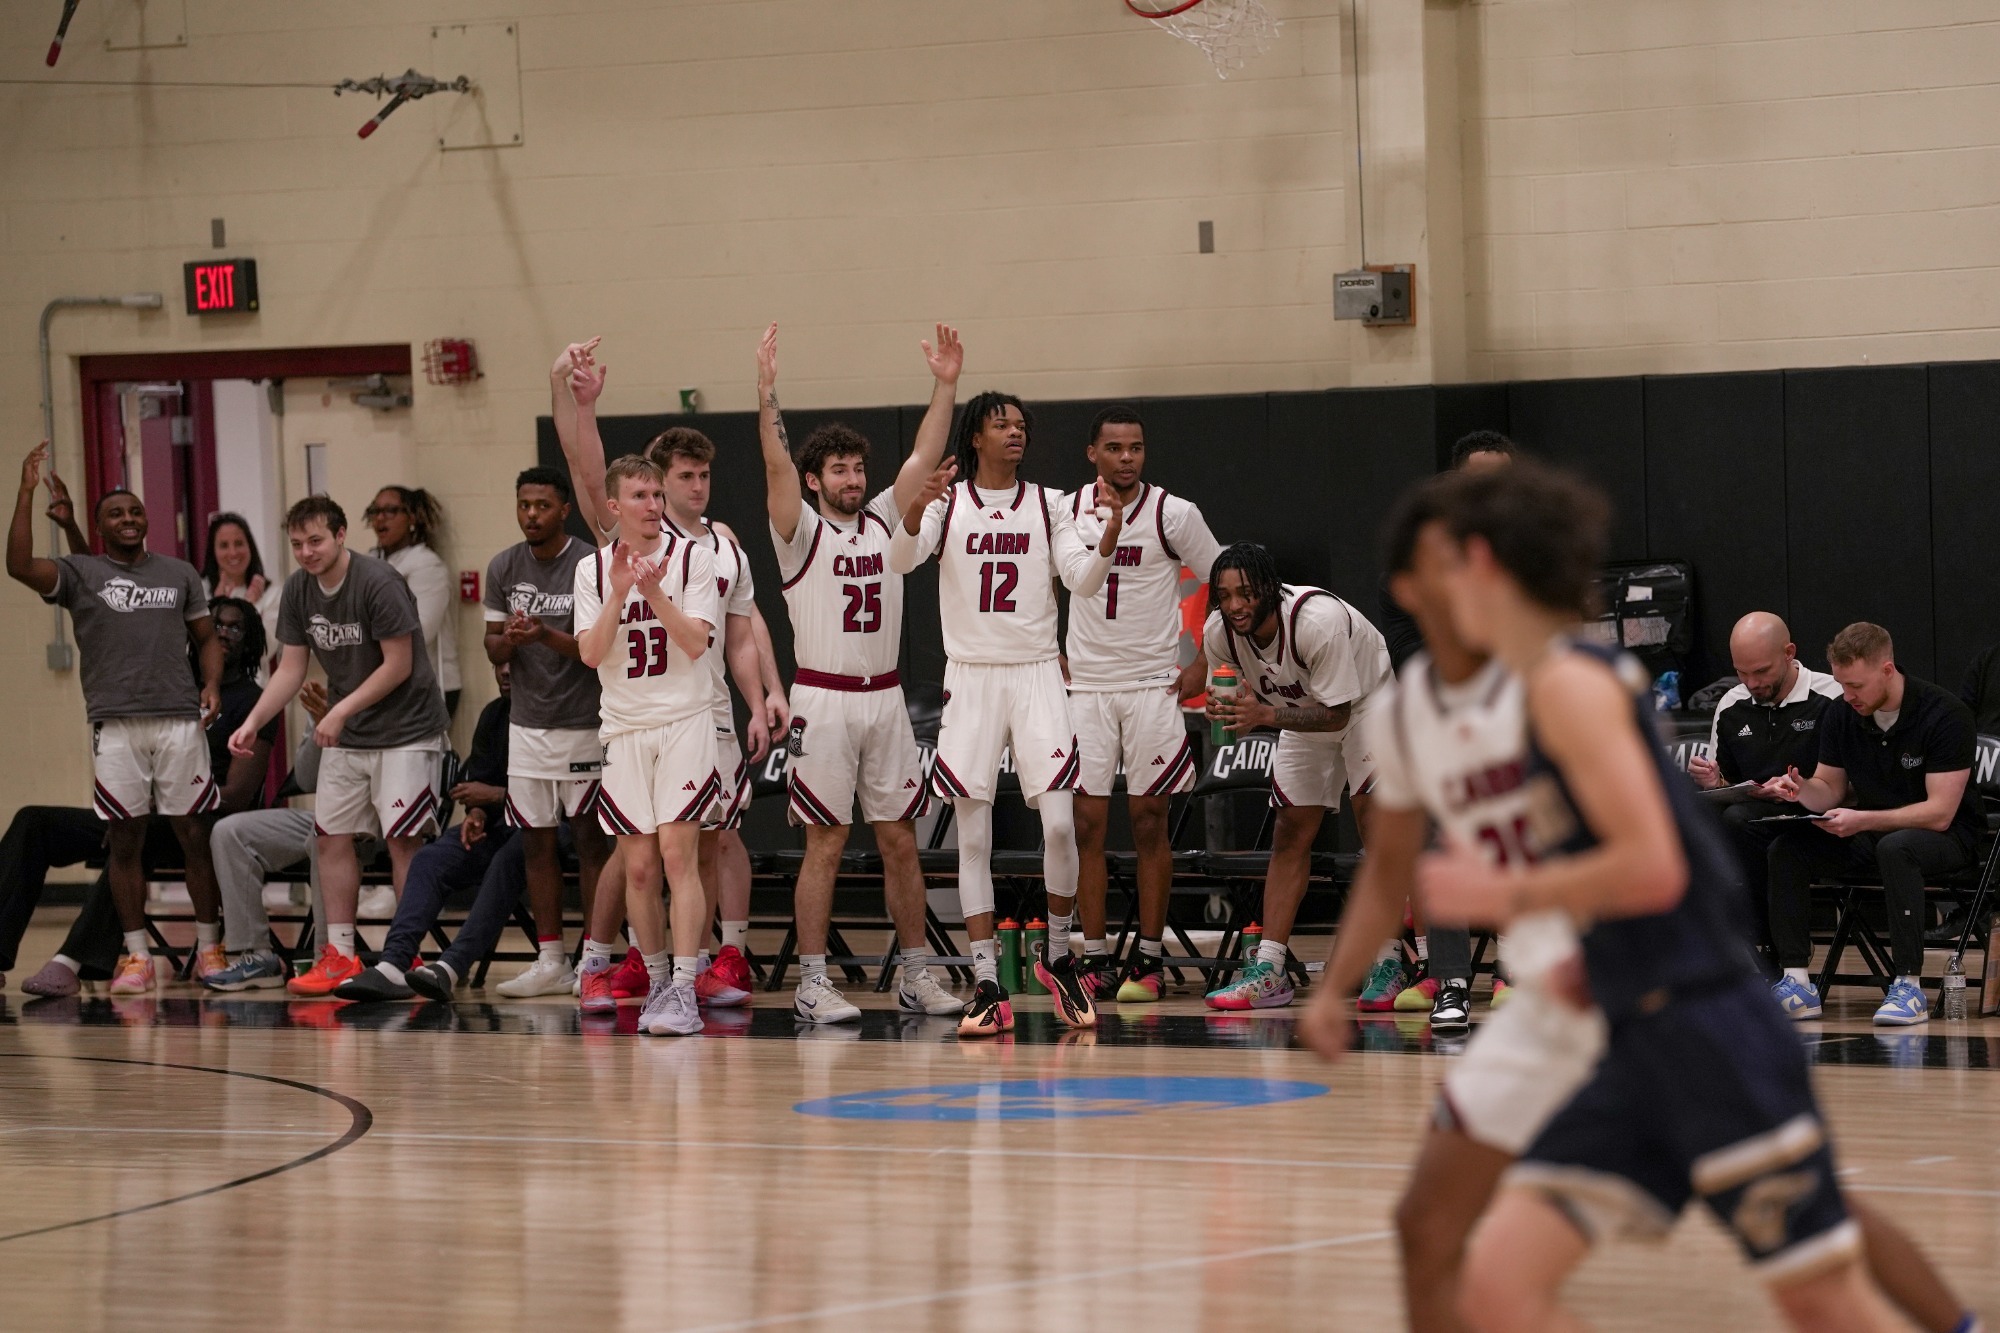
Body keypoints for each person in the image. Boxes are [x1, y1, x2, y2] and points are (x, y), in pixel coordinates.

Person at [1300, 481, 1983, 1333]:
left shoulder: (1577, 687)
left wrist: (1503, 891)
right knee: (1459, 1256)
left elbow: (1653, 868)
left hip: (1687, 1010)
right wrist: (1334, 987)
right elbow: (1388, 864)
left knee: (1820, 1284)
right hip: (1573, 1015)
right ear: (1407, 585)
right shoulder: (1409, 712)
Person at [885, 357, 1122, 1038]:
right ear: (976, 437)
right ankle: (987, 980)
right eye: (1001, 423)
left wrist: (1106, 531)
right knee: (974, 832)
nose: (1015, 432)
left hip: (1039, 670)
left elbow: (1080, 580)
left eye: (1021, 424)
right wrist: (913, 505)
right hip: (972, 676)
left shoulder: (1051, 503)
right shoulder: (947, 502)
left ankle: (1058, 956)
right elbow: (900, 561)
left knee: (1057, 823)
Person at [557, 345, 786, 1007]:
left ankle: (702, 967)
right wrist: (584, 404)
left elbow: (741, 630)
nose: (682, 492)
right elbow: (588, 466)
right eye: (669, 482)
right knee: (638, 858)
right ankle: (636, 963)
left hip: (697, 710)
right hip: (630, 719)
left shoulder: (715, 549)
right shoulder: (604, 553)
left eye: (695, 479)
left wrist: (764, 693)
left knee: (704, 847)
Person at [753, 322, 965, 1022]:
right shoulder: (800, 534)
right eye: (838, 469)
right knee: (828, 840)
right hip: (826, 701)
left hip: (887, 703)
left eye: (856, 467)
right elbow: (777, 468)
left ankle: (915, 973)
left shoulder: (881, 519)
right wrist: (765, 396)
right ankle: (813, 982)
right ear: (817, 480)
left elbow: (923, 455)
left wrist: (945, 384)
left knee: (901, 839)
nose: (852, 478)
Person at [6, 441, 228, 994]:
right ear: (100, 526)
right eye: (116, 514)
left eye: (134, 511)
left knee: (193, 836)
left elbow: (206, 638)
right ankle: (135, 957)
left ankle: (210, 948)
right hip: (116, 725)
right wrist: (26, 493)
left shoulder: (178, 572)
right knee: (123, 842)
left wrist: (213, 683)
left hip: (179, 721)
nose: (128, 519)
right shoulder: (79, 574)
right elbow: (17, 566)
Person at [229, 494, 452, 996]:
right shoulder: (298, 592)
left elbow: (398, 664)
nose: (306, 552)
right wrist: (254, 719)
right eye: (297, 544)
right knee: (331, 837)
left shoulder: (378, 582)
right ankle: (341, 955)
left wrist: (339, 709)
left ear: (341, 535)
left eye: (315, 541)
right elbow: (291, 667)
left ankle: (405, 955)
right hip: (350, 734)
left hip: (407, 730)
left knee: (402, 841)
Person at [10, 597, 278, 993]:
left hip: (199, 827)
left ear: (251, 641)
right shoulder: (171, 690)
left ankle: (71, 960)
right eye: (214, 624)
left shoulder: (254, 703)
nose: (222, 632)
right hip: (143, 806)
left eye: (235, 627)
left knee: (134, 834)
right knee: (35, 822)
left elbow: (238, 795)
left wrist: (165, 797)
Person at [1060, 404, 1223, 1003]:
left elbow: (1222, 579)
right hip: (1089, 687)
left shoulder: (1174, 513)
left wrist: (1203, 658)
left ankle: (1150, 958)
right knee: (1087, 825)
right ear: (1092, 453)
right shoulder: (1065, 509)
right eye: (1114, 448)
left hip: (1153, 683)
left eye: (1135, 448)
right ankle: (1096, 956)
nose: (1126, 458)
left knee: (1151, 822)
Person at [1199, 542, 1390, 1011]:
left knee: (1376, 828)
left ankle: (1388, 960)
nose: (1236, 606)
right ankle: (1270, 968)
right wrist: (1219, 707)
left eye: (1244, 593)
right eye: (1224, 596)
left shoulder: (1315, 622)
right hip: (1301, 711)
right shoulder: (1219, 632)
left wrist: (1264, 715)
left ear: (1268, 588)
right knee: (1289, 831)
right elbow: (1224, 690)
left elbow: (1338, 714)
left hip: (1366, 704)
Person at [1761, 623, 1981, 1026]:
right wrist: (1800, 790)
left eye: (1856, 685)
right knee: (1788, 847)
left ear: (1887, 669)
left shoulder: (1945, 714)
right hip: (1874, 830)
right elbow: (1829, 787)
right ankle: (1796, 982)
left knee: (1896, 847)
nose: (1848, 696)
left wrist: (1863, 819)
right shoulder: (1841, 713)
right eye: (1842, 684)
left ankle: (1909, 985)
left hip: (1948, 838)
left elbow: (1940, 812)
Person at [571, 452, 721, 1037]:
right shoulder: (592, 570)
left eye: (658, 495)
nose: (654, 506)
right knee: (637, 869)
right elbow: (589, 653)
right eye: (640, 496)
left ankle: (685, 988)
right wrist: (618, 594)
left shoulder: (695, 559)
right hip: (624, 728)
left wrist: (655, 596)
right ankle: (656, 981)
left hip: (684, 721)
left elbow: (695, 645)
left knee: (680, 858)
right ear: (614, 506)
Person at [477, 466, 611, 998]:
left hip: (583, 723)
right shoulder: (504, 566)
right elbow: (492, 647)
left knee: (588, 841)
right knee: (534, 841)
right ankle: (550, 958)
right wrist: (511, 640)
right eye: (523, 504)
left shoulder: (588, 563)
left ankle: (595, 959)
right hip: (527, 726)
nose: (530, 514)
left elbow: (592, 650)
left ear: (564, 510)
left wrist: (543, 633)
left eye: (541, 505)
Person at [335, 662, 514, 1001]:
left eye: (514, 663)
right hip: (495, 825)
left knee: (511, 857)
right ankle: (394, 964)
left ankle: (450, 966)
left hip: (550, 833)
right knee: (431, 857)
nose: (505, 671)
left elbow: (564, 805)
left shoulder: (561, 718)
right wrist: (476, 811)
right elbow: (477, 781)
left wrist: (494, 796)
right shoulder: (494, 714)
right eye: (498, 664)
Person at [1686, 612, 1842, 954]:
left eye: (1761, 671)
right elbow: (1725, 781)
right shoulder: (1730, 704)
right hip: (1754, 817)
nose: (1752, 683)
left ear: (1789, 653)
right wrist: (1715, 781)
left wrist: (1799, 788)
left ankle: (1773, 947)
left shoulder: (1832, 696)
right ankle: (1748, 946)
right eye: (1742, 672)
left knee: (1747, 828)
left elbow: (1847, 784)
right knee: (1717, 821)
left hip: (1817, 819)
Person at [1379, 431, 1517, 671]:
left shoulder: (1533, 552)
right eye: (1481, 484)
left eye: (1503, 481)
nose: (1493, 494)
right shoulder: (1408, 578)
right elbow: (1405, 658)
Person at [368, 485, 461, 716]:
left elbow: (421, 630)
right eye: (375, 511)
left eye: (390, 511)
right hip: (387, 682)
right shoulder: (371, 561)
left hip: (429, 685)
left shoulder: (427, 564)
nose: (380, 518)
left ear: (411, 517)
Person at [202, 512, 282, 666]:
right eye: (224, 546)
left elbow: (264, 651)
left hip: (255, 686)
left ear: (250, 546)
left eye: (239, 543)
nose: (233, 552)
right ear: (213, 551)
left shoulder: (272, 593)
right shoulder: (199, 590)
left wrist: (248, 609)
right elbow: (197, 648)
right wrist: (216, 607)